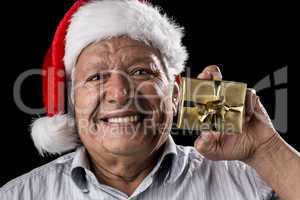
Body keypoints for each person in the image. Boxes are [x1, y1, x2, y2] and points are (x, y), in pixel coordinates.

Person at [1, 1, 299, 199]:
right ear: (71, 101)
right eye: (95, 77)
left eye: (141, 71)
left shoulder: (249, 180)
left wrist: (266, 149)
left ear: (176, 94)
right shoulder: (21, 195)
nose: (119, 93)